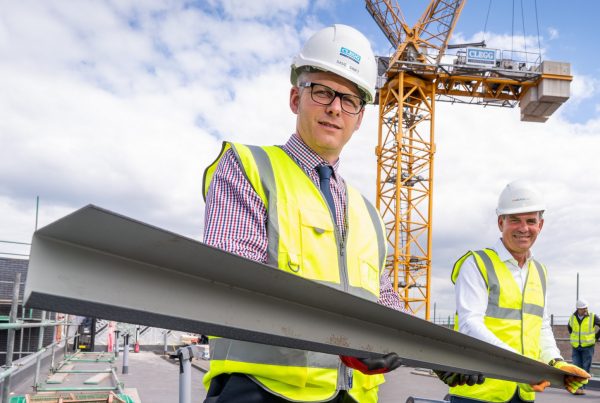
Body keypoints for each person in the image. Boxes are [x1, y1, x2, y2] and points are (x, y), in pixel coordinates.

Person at [202, 24, 479, 403]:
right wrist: (343, 337)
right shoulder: (249, 167)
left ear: (360, 118)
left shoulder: (366, 211)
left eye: (350, 100)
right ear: (295, 98)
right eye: (323, 92)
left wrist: (436, 350)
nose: (335, 108)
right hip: (260, 389)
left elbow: (383, 298)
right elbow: (233, 280)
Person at [448, 180, 590, 402]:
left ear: (540, 225)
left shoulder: (540, 272)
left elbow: (541, 327)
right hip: (478, 393)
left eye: (531, 221)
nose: (524, 228)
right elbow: (469, 325)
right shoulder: (477, 264)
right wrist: (522, 366)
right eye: (515, 220)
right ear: (500, 222)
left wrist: (555, 361)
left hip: (523, 393)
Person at [568, 298, 600, 395]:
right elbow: (569, 328)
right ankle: (577, 387)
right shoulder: (572, 317)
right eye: (583, 308)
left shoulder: (593, 316)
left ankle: (581, 388)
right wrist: (575, 338)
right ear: (578, 309)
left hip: (588, 347)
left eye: (586, 308)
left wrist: (596, 337)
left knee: (585, 367)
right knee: (576, 367)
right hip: (576, 347)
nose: (585, 310)